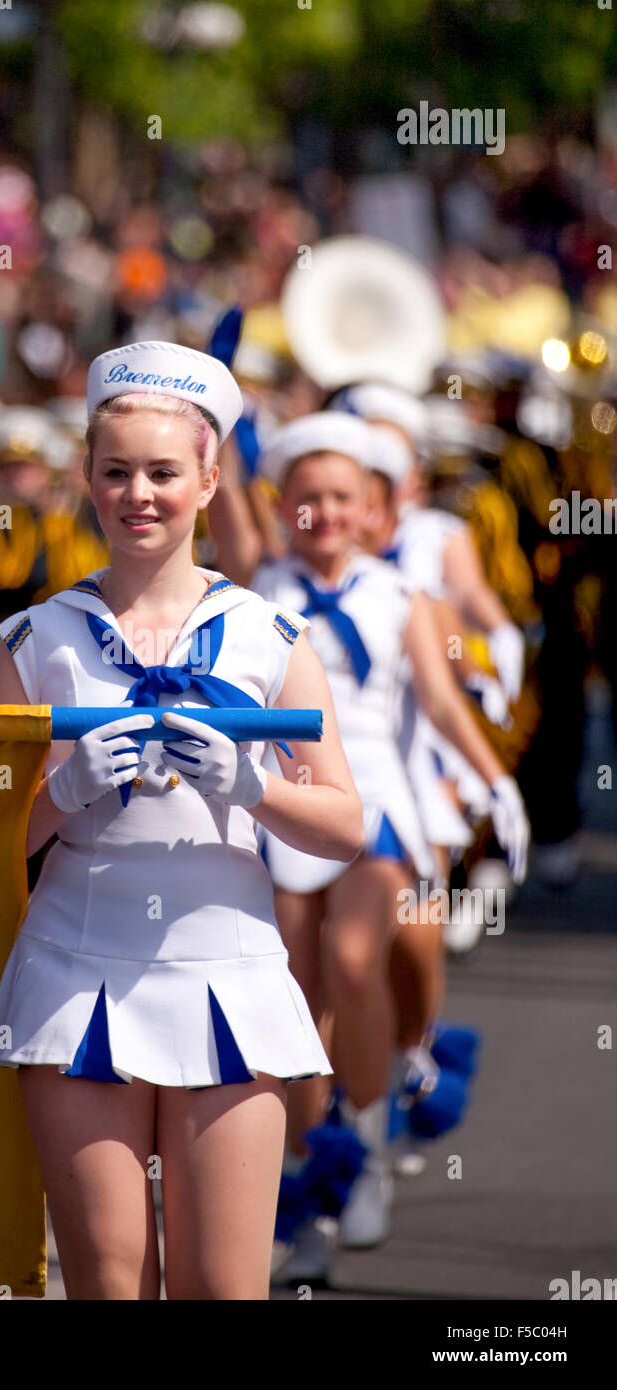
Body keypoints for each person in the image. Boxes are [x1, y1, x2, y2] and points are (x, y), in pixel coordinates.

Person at [0, 340, 364, 1300]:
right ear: (88, 480)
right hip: (74, 976)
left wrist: (251, 785)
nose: (138, 494)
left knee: (220, 1290)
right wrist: (58, 796)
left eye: (162, 472)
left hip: (228, 975)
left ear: (207, 479)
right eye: (116, 472)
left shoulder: (270, 636)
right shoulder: (36, 640)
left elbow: (343, 825)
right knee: (109, 1285)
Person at [246, 411, 530, 1282]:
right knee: (293, 998)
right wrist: (221, 426)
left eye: (343, 498)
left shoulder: (402, 595)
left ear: (373, 508)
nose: (325, 513)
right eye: (307, 498)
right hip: (287, 806)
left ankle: (366, 1151)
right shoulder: (256, 588)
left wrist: (496, 781)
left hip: (377, 806)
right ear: (283, 506)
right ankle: (309, 1182)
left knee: (355, 955)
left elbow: (443, 707)